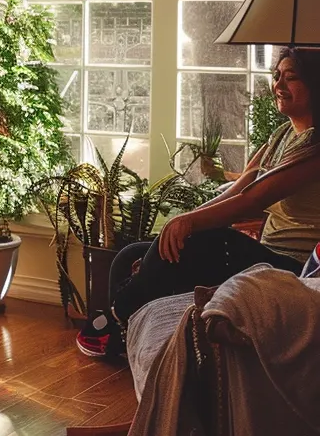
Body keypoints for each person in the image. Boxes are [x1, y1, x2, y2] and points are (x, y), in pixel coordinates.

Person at [78, 48, 320, 357]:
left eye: (292, 78)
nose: (279, 86)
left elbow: (252, 200)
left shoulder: (314, 148)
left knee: (197, 240)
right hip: (266, 251)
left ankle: (114, 318)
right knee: (130, 255)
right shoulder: (282, 134)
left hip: (293, 267)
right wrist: (186, 219)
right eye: (276, 77)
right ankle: (125, 339)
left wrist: (190, 224)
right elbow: (239, 187)